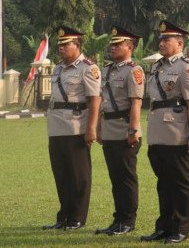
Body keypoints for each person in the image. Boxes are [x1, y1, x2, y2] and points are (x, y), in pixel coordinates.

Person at [141, 20, 189, 244]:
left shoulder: (187, 68)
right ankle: (164, 227)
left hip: (177, 132)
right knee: (163, 182)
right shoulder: (157, 67)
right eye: (161, 39)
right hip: (157, 132)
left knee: (180, 182)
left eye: (167, 39)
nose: (162, 42)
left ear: (180, 43)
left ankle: (181, 228)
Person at [42, 26, 101, 231]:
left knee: (78, 176)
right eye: (59, 45)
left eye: (66, 44)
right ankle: (63, 216)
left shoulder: (88, 68)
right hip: (56, 127)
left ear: (77, 45)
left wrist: (91, 128)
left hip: (77, 127)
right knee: (62, 174)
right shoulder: (58, 68)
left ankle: (77, 217)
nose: (61, 48)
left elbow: (95, 100)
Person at [94, 26, 145, 236]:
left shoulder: (134, 70)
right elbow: (101, 102)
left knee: (126, 178)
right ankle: (118, 219)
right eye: (112, 44)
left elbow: (136, 103)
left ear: (130, 47)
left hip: (125, 129)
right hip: (109, 129)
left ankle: (128, 221)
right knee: (115, 178)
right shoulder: (106, 70)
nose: (112, 47)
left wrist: (133, 130)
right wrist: (98, 128)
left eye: (118, 44)